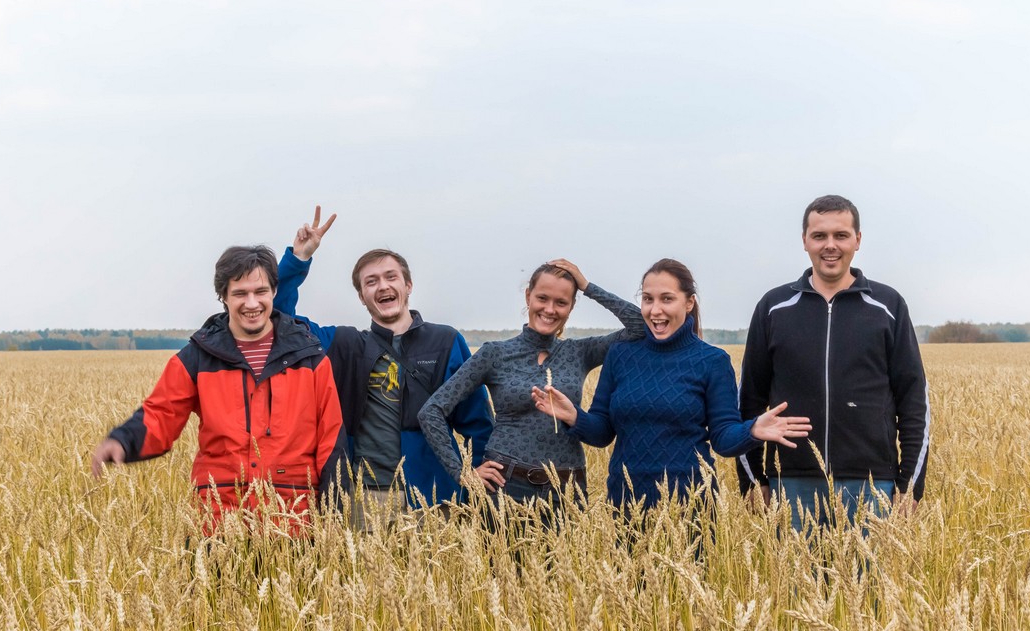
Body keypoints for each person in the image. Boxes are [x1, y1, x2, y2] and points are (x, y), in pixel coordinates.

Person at [91, 245, 345, 533]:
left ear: (274, 292)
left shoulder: (309, 357)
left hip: (292, 521)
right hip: (219, 521)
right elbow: (162, 412)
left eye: (260, 291)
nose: (252, 303)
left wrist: (334, 516)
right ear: (223, 296)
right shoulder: (199, 357)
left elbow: (331, 439)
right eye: (240, 294)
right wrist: (123, 440)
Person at [531, 259, 810, 511]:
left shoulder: (712, 361)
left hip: (692, 508)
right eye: (648, 299)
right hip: (625, 504)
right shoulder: (620, 355)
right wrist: (573, 416)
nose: (655, 310)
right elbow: (602, 432)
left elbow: (723, 438)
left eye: (667, 299)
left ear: (689, 303)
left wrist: (752, 430)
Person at [274, 208, 494, 526]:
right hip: (363, 499)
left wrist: (480, 482)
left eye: (391, 277)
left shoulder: (446, 341)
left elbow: (477, 421)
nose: (382, 286)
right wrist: (299, 259)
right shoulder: (345, 344)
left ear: (408, 285)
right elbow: (280, 320)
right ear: (362, 297)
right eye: (371, 282)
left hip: (435, 497)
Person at [735, 194, 931, 532]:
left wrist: (909, 486)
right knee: (792, 571)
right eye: (819, 236)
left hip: (873, 486)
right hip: (790, 483)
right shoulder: (773, 307)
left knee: (870, 571)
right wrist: (753, 480)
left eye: (841, 235)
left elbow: (913, 400)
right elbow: (748, 400)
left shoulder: (887, 306)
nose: (830, 245)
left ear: (857, 240)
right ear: (804, 241)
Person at [417, 259, 645, 508]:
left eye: (561, 302)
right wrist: (462, 473)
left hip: (567, 490)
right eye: (542, 298)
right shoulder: (494, 353)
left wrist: (587, 286)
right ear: (528, 297)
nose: (550, 309)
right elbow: (431, 411)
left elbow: (640, 327)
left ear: (571, 307)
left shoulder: (580, 352)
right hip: (505, 487)